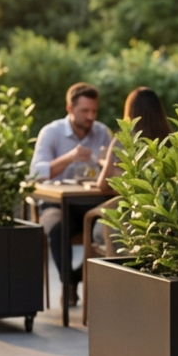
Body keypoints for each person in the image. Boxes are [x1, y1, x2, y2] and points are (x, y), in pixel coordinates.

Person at [30, 83, 113, 305]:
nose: (91, 117)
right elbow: (35, 173)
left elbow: (114, 168)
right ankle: (67, 284)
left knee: (108, 232)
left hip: (90, 202)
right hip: (56, 204)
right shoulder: (51, 132)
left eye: (94, 111)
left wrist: (102, 162)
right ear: (70, 109)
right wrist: (69, 157)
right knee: (57, 228)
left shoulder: (102, 132)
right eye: (85, 111)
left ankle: (75, 278)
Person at [92, 87, 173, 249]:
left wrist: (110, 167)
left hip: (130, 221)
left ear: (130, 111)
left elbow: (102, 184)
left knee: (97, 230)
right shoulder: (171, 139)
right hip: (166, 222)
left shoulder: (124, 140)